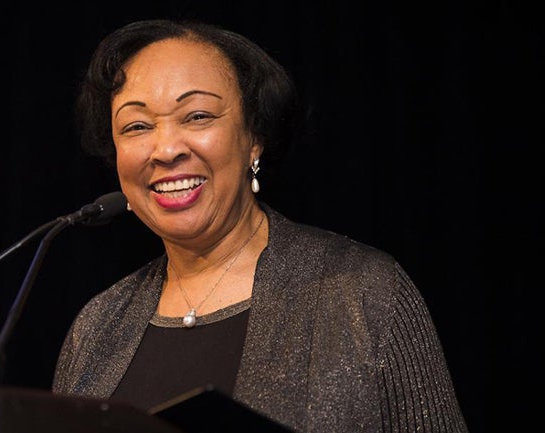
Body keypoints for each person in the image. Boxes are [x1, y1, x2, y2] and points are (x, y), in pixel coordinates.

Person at [51, 18, 468, 433]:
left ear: (254, 136)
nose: (166, 149)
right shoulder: (97, 329)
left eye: (196, 116)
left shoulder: (362, 291)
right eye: (137, 126)